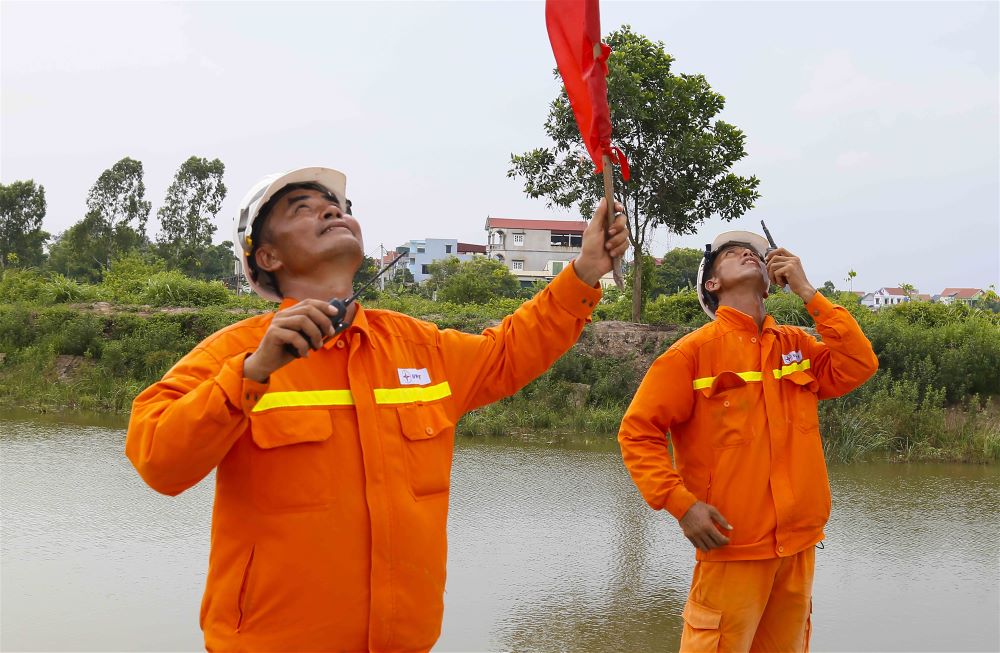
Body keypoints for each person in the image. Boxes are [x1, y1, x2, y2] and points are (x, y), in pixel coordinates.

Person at [125, 166, 628, 652]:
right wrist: (252, 373)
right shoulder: (233, 355)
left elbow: (510, 352)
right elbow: (159, 462)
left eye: (338, 206)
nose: (330, 212)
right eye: (304, 208)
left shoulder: (419, 349)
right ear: (269, 257)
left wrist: (584, 270)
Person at [617, 230, 878, 652]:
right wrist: (681, 505)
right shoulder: (691, 354)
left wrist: (810, 293)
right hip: (732, 547)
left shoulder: (796, 347)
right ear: (712, 284)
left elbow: (859, 364)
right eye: (730, 253)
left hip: (797, 549)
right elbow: (637, 432)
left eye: (755, 252)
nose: (747, 253)